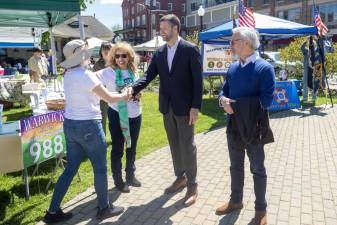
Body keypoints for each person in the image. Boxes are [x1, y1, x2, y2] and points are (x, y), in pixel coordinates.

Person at [43, 39, 126, 224]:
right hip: (88, 126)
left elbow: (91, 88)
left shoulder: (69, 74)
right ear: (83, 56)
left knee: (70, 169)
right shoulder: (86, 75)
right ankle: (104, 208)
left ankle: (52, 211)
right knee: (100, 168)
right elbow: (110, 98)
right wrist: (126, 94)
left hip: (71, 125)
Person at [128, 14, 203, 206]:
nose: (161, 32)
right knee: (174, 144)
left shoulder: (190, 49)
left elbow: (198, 81)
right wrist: (133, 88)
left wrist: (195, 107)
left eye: (164, 29)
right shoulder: (160, 52)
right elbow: (148, 75)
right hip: (167, 108)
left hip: (186, 109)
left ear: (175, 28)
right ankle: (181, 177)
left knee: (188, 146)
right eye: (160, 28)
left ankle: (192, 186)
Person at [216, 27, 275, 225]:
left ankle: (261, 209)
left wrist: (235, 106)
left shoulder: (264, 68)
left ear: (248, 43)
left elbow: (266, 101)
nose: (230, 44)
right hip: (233, 126)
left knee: (257, 168)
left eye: (234, 40)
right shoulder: (232, 68)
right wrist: (222, 100)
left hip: (254, 127)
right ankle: (236, 201)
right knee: (235, 166)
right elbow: (223, 91)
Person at [96, 42, 142, 193]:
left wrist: (138, 94)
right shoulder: (106, 72)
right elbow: (89, 82)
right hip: (116, 115)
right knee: (117, 148)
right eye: (117, 56)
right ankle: (118, 181)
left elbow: (138, 88)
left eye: (124, 55)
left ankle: (130, 175)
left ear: (130, 57)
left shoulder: (133, 71)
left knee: (132, 147)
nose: (121, 59)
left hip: (135, 115)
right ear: (113, 57)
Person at [93, 42, 114, 134]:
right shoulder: (97, 64)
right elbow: (95, 81)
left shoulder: (116, 62)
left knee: (115, 118)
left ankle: (117, 138)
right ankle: (102, 139)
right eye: (103, 49)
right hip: (102, 96)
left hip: (115, 94)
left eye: (108, 49)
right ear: (101, 51)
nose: (105, 51)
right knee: (102, 118)